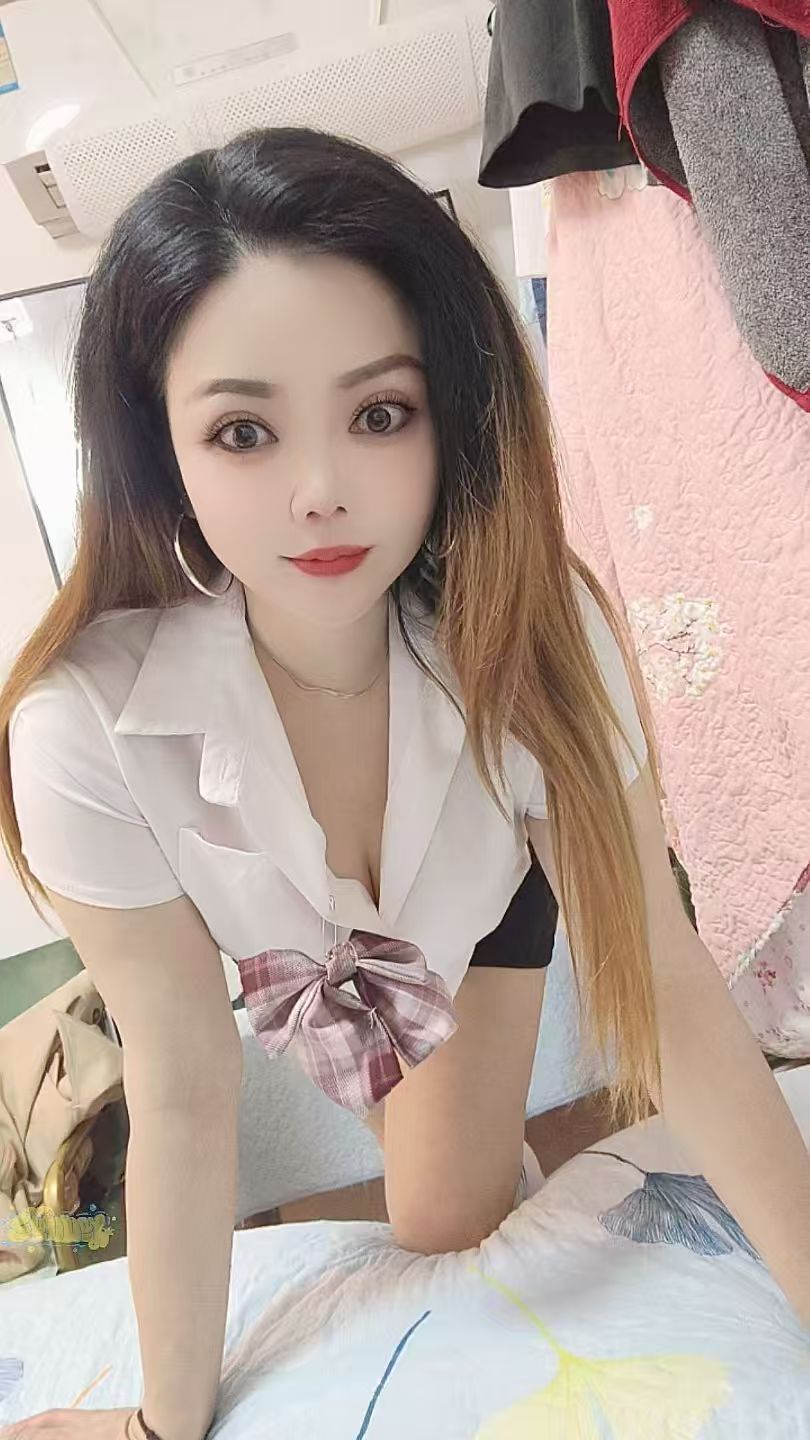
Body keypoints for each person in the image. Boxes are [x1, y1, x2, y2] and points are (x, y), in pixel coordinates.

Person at [0, 126, 807, 1440]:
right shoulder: (80, 731)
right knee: (409, 1219)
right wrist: (160, 1426)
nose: (321, 492)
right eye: (244, 432)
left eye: (379, 413)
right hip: (305, 955)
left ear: (452, 407)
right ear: (158, 446)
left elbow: (671, 990)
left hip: (484, 894)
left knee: (446, 1217)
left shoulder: (544, 635)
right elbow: (185, 1080)